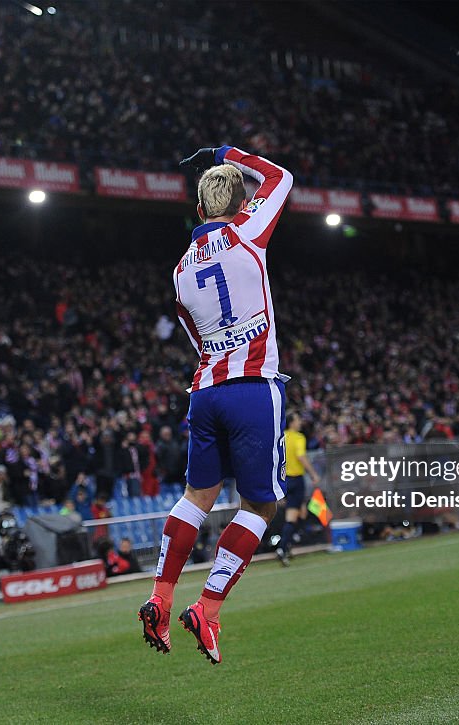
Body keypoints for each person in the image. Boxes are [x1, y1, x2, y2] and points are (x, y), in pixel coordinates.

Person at [139, 144, 293, 664]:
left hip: (206, 390)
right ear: (242, 204)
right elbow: (280, 177)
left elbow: (197, 339)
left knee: (196, 497)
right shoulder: (248, 230)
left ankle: (160, 598)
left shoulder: (180, 270)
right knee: (261, 505)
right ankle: (207, 608)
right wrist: (228, 153)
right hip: (253, 387)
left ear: (199, 209)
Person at [276, 413, 320, 565]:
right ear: (292, 423)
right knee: (292, 517)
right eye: (297, 420)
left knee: (301, 512)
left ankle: (288, 544)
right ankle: (282, 547)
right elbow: (301, 456)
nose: (300, 422)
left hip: (284, 480)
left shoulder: (281, 437)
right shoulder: (298, 437)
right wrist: (313, 474)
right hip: (296, 479)